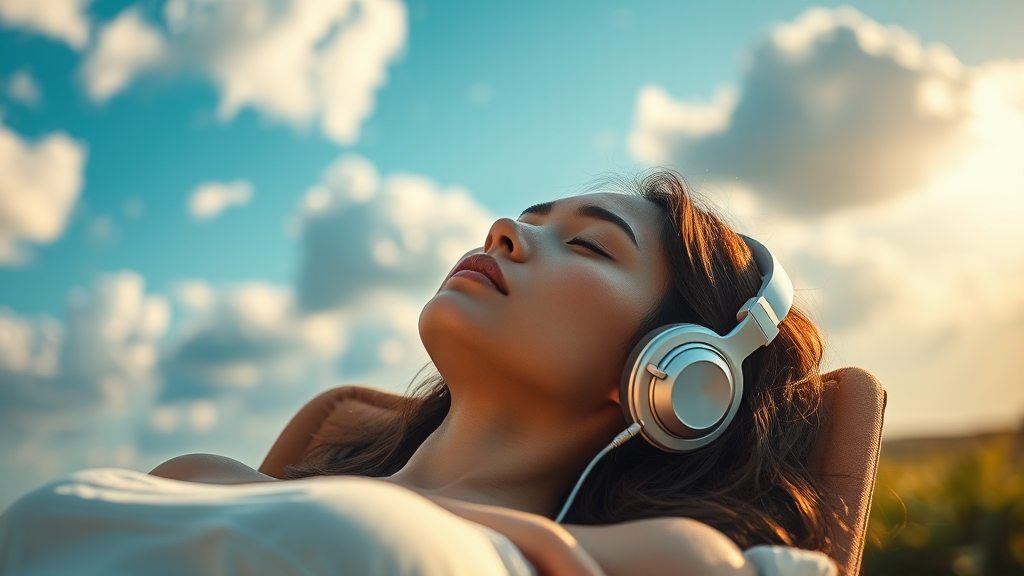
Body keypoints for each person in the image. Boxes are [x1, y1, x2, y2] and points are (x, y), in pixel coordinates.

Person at [0, 171, 838, 576]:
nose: (506, 229)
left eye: (588, 243)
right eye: (527, 217)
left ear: (678, 378)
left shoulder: (667, 559)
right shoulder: (198, 479)